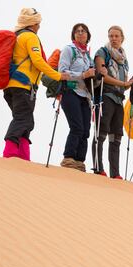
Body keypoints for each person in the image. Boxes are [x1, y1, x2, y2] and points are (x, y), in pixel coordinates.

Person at [2, 8, 70, 161]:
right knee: (22, 119)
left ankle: (23, 156)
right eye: (38, 23)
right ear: (33, 24)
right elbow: (38, 61)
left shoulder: (17, 36)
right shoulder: (30, 37)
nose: (39, 26)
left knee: (27, 120)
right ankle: (9, 153)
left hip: (10, 86)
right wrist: (58, 76)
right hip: (23, 86)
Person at [92, 25, 133, 178]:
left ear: (122, 38)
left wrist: (130, 83)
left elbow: (122, 85)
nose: (113, 39)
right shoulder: (102, 52)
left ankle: (115, 173)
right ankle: (98, 167)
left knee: (116, 136)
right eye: (111, 36)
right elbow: (103, 75)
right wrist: (124, 84)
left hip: (118, 100)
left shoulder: (124, 60)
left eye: (116, 36)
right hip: (105, 96)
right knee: (101, 133)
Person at [58, 23, 96, 171]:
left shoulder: (88, 56)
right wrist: (82, 75)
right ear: (73, 35)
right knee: (77, 127)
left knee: (86, 130)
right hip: (70, 92)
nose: (80, 33)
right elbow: (62, 72)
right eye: (77, 31)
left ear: (88, 35)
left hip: (85, 95)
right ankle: (68, 158)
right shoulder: (69, 50)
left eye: (83, 31)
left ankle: (80, 161)